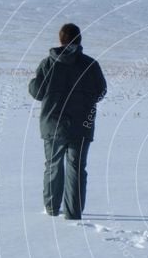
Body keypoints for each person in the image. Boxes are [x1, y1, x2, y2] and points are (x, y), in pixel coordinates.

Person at [29, 23, 107, 220]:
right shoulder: (90, 64)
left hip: (53, 123)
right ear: (79, 40)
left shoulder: (48, 63)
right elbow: (101, 91)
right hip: (82, 125)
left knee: (53, 165)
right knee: (77, 167)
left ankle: (52, 209)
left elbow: (36, 91)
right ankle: (73, 213)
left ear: (60, 39)